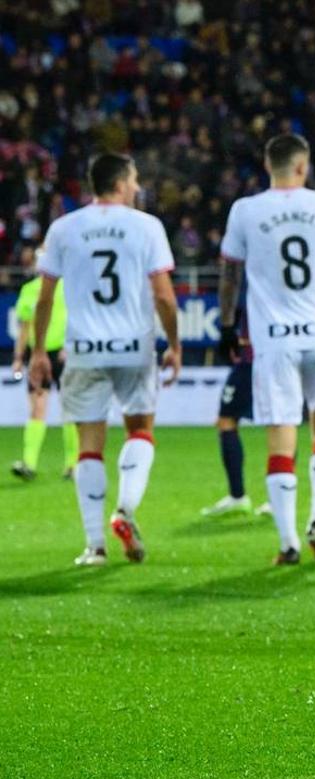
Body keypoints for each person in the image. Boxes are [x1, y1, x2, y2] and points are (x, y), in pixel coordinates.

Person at [217, 134, 315, 565]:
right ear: (303, 167)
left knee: (281, 439)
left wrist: (227, 324)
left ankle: (287, 543)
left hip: (275, 343)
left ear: (270, 166)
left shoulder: (246, 211)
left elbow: (229, 274)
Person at [30, 153, 181, 566]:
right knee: (140, 431)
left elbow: (45, 297)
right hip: (134, 347)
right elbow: (165, 296)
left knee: (89, 447)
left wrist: (40, 349)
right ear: (120, 183)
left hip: (84, 349)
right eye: (133, 180)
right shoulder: (147, 226)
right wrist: (174, 343)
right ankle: (125, 509)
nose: (137, 188)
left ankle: (95, 546)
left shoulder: (64, 228)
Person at [11, 264, 78, 480]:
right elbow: (25, 327)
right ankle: (29, 464)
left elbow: (78, 319)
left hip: (62, 354)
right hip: (38, 355)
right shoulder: (29, 289)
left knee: (70, 408)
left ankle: (73, 465)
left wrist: (71, 346)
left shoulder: (68, 288)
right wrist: (19, 357)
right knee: (37, 408)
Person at [199, 311, 269, 517]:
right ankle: (278, 497)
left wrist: (230, 330)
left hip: (253, 358)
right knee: (281, 424)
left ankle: (239, 496)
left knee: (227, 421)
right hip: (274, 354)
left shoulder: (250, 280)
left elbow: (234, 294)